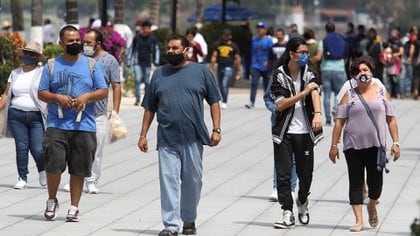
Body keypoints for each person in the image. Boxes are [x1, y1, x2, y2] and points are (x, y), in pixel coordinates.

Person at [138, 34, 221, 236]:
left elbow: (214, 101)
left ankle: (189, 219)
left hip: (193, 137)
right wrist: (143, 134)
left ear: (186, 50)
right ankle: (171, 225)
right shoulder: (159, 74)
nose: (171, 52)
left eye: (175, 48)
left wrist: (216, 129)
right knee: (169, 182)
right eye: (169, 48)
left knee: (193, 181)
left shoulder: (201, 72)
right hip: (167, 138)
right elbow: (149, 107)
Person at [38, 25, 108, 222]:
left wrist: (87, 97)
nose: (76, 43)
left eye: (78, 39)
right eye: (71, 40)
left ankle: (74, 207)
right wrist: (58, 98)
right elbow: (41, 92)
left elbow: (103, 90)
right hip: (56, 125)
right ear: (62, 43)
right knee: (53, 165)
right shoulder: (51, 66)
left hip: (84, 126)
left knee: (78, 168)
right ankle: (52, 200)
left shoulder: (92, 65)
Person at [329, 56, 400, 232]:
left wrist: (396, 142)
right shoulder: (349, 95)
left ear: (371, 72)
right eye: (359, 71)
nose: (363, 74)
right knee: (356, 182)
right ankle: (358, 220)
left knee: (376, 186)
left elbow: (391, 119)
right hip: (353, 146)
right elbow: (339, 122)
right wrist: (334, 145)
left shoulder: (381, 92)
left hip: (376, 146)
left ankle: (372, 204)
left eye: (365, 70)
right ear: (354, 75)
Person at [270, 37, 323, 229]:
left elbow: (315, 91)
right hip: (284, 131)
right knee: (283, 174)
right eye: (302, 52)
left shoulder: (311, 72)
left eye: (306, 53)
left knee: (306, 175)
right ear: (292, 54)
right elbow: (281, 104)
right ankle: (287, 212)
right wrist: (303, 93)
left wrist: (317, 114)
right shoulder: (279, 75)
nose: (305, 56)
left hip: (305, 132)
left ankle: (302, 201)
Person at [62, 28, 122, 194]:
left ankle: (92, 180)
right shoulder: (79, 59)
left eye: (88, 43)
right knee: (75, 148)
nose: (85, 45)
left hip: (98, 114)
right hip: (77, 112)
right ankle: (74, 178)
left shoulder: (110, 61)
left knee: (96, 149)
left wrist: (115, 110)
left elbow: (116, 87)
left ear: (98, 44)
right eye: (84, 42)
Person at [0, 41, 47, 189]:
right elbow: (7, 94)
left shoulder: (43, 72)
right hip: (16, 115)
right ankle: (22, 177)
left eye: (31, 54)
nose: (27, 56)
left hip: (36, 116)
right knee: (21, 147)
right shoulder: (15, 73)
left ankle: (42, 168)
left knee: (37, 149)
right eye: (26, 53)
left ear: (37, 57)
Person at [263, 78, 297, 202]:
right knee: (280, 156)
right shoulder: (277, 75)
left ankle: (291, 189)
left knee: (294, 158)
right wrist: (275, 109)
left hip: (298, 123)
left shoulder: (305, 75)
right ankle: (277, 188)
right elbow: (267, 98)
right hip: (279, 121)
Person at [312, 21, 347, 125]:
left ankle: (327, 119)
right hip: (340, 69)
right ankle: (336, 109)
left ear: (326, 30)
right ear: (334, 28)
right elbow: (346, 57)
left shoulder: (324, 41)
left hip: (326, 69)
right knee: (339, 94)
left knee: (326, 94)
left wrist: (309, 60)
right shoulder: (342, 40)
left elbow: (319, 57)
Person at [128, 20, 160, 106]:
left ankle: (146, 99)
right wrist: (129, 61)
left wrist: (156, 61)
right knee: (138, 79)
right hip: (137, 63)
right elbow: (131, 49)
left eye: (149, 28)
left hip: (148, 63)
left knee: (147, 82)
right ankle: (138, 99)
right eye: (146, 28)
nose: (148, 30)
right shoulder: (137, 37)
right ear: (143, 28)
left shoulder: (153, 38)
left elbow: (157, 50)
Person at [210, 28, 241, 109]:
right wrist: (211, 66)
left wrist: (238, 70)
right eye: (224, 35)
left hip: (229, 67)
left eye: (227, 35)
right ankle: (223, 98)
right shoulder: (218, 45)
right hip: (220, 66)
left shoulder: (234, 46)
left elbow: (237, 58)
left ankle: (224, 101)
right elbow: (214, 56)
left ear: (230, 36)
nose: (225, 37)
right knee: (220, 85)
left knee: (224, 83)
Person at [245, 22, 273, 109]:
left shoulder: (268, 40)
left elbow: (271, 53)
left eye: (261, 28)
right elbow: (252, 52)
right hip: (255, 65)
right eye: (258, 28)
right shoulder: (254, 40)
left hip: (265, 66)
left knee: (266, 85)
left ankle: (268, 102)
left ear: (265, 30)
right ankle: (251, 102)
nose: (259, 30)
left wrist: (268, 62)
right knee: (254, 83)